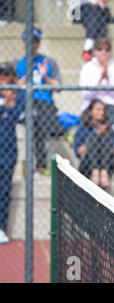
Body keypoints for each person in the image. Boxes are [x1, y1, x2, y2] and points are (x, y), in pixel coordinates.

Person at [15, 27, 66, 176]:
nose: (33, 44)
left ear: (39, 43)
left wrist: (45, 78)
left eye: (36, 41)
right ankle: (60, 129)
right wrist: (23, 79)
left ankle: (36, 165)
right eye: (29, 41)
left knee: (39, 118)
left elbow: (59, 87)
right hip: (25, 103)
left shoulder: (48, 61)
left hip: (45, 103)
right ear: (23, 42)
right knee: (40, 119)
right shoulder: (17, 62)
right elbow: (10, 88)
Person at [0, 62, 24, 244]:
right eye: (1, 74)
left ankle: (1, 228)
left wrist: (9, 100)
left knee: (4, 189)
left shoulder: (19, 96)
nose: (3, 78)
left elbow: (16, 116)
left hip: (8, 150)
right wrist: (4, 102)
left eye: (7, 75)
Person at [79, 38, 114, 127]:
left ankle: (112, 138)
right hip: (91, 105)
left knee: (113, 118)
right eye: (100, 49)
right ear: (95, 51)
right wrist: (99, 81)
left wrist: (108, 80)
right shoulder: (87, 68)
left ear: (110, 52)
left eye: (107, 49)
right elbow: (84, 94)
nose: (103, 52)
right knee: (87, 118)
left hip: (111, 105)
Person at [74, 99, 114, 189]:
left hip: (106, 164)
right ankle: (95, 171)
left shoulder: (109, 128)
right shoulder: (82, 128)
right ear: (91, 111)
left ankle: (103, 172)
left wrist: (104, 135)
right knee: (94, 137)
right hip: (87, 165)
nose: (101, 112)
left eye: (103, 110)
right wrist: (95, 135)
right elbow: (79, 152)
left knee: (105, 136)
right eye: (98, 109)